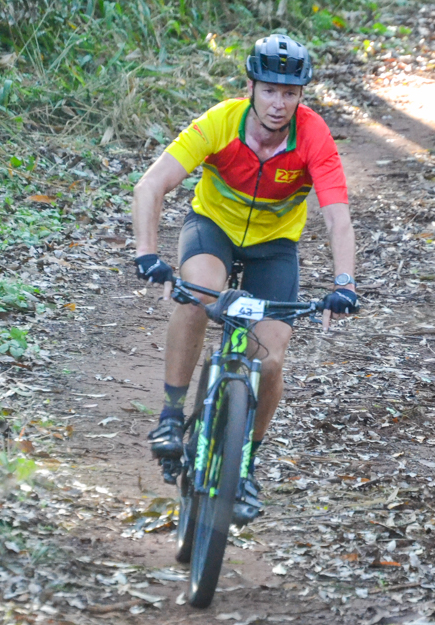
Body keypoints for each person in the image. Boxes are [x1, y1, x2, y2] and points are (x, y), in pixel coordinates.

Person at [132, 34, 358, 524]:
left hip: (273, 248)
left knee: (270, 359)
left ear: (301, 96)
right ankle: (170, 416)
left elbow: (337, 217)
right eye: (270, 90)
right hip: (212, 229)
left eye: (290, 93)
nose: (279, 103)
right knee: (196, 295)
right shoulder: (221, 122)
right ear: (250, 87)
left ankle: (245, 464)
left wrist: (345, 283)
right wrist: (147, 253)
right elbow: (151, 184)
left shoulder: (313, 136)